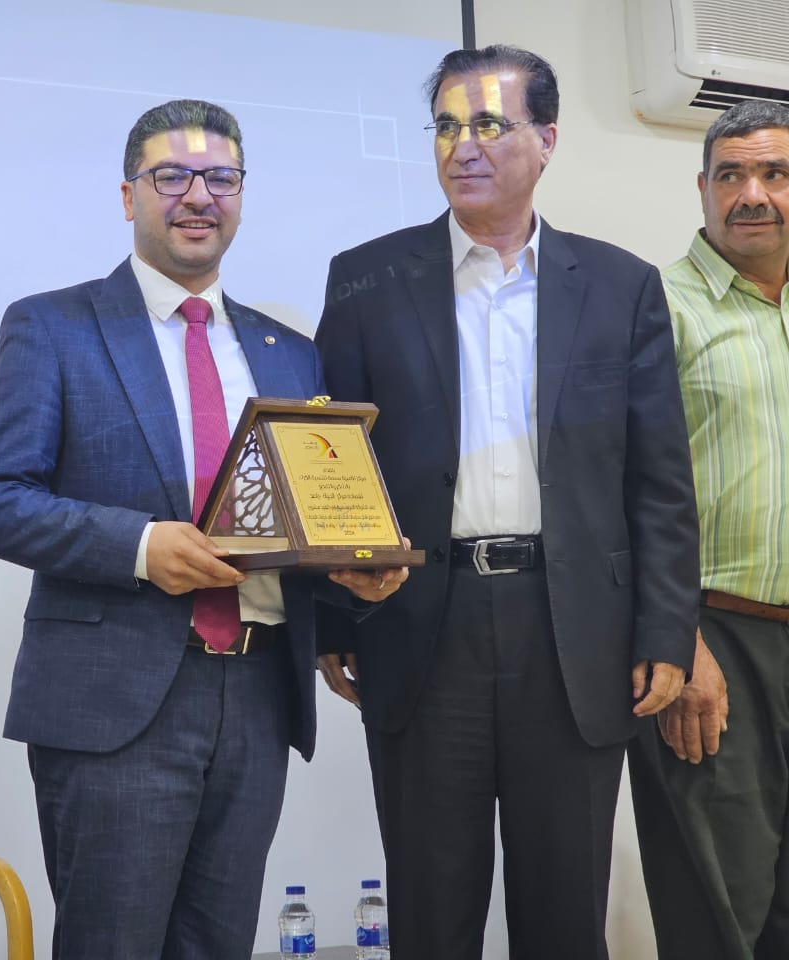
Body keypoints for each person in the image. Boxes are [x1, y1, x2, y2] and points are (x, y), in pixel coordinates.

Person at [0, 98, 403, 960]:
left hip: (259, 695)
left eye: (221, 178)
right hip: (115, 701)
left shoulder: (290, 352)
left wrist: (354, 571)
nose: (199, 196)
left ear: (241, 196)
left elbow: (300, 518)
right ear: (130, 196)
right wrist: (139, 547)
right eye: (173, 177)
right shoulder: (54, 327)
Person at [313, 45, 700, 960]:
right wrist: (335, 617)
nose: (463, 145)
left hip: (573, 634)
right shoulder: (367, 281)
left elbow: (659, 481)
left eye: (489, 123)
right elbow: (333, 464)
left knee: (564, 914)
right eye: (447, 126)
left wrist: (666, 630)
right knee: (430, 910)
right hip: (419, 621)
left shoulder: (619, 287)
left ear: (547, 140)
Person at [626, 99, 789, 960]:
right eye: (732, 175)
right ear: (702, 190)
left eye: (775, 173)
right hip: (712, 644)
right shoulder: (651, 307)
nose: (752, 193)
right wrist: (676, 639)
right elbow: (613, 491)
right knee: (722, 916)